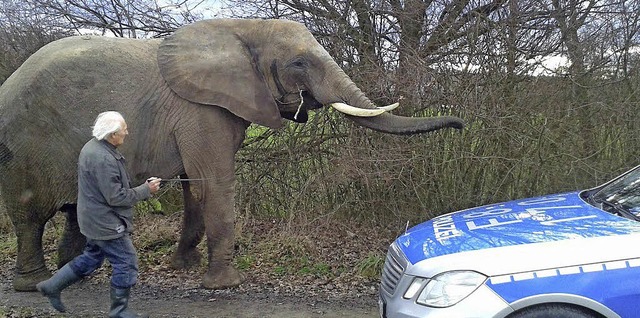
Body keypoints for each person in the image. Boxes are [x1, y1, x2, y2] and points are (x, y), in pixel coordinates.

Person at [36, 111, 161, 318]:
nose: (127, 133)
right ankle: (119, 311)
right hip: (105, 223)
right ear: (112, 135)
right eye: (123, 130)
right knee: (126, 262)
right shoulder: (103, 158)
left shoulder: (93, 147)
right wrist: (146, 190)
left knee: (92, 257)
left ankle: (52, 286)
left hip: (93, 219)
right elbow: (117, 197)